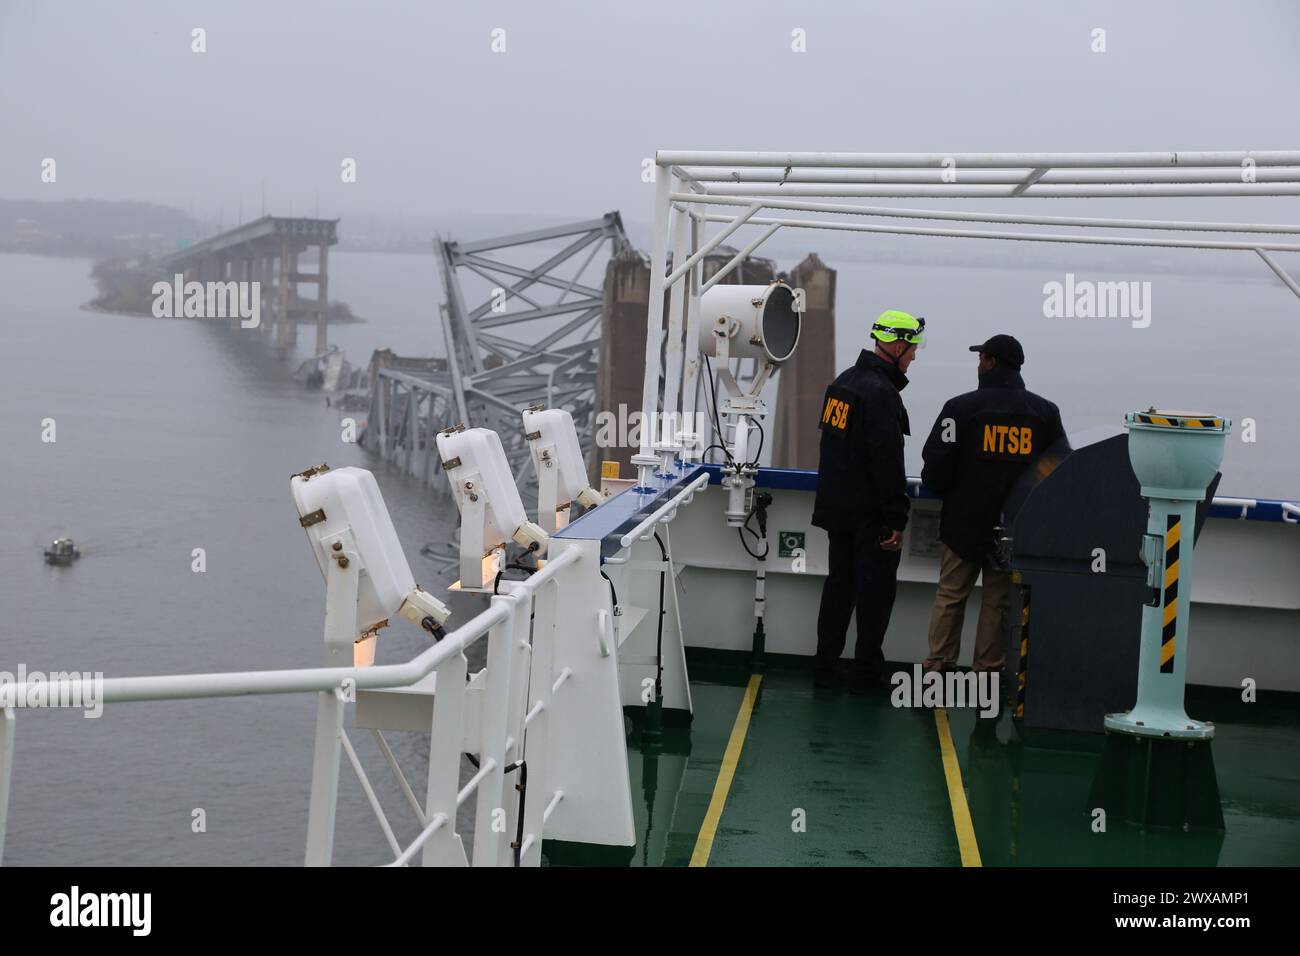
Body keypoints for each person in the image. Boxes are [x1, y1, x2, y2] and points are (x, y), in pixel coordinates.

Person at [920, 334, 1066, 678]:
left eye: (981, 358)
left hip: (963, 522)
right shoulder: (1044, 413)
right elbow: (1058, 469)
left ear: (990, 362)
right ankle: (986, 673)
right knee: (997, 602)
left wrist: (949, 493)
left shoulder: (960, 409)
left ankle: (937, 667)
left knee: (951, 595)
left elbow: (936, 464)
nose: (978, 364)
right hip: (1014, 528)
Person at [812, 310, 925, 693]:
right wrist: (896, 518)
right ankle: (865, 676)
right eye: (911, 349)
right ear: (895, 345)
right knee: (875, 596)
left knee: (838, 590)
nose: (913, 357)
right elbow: (887, 460)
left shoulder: (843, 383)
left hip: (838, 511)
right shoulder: (880, 393)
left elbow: (832, 451)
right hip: (869, 516)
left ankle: (825, 669)